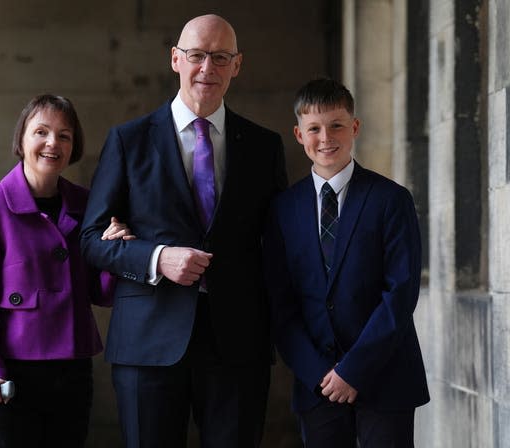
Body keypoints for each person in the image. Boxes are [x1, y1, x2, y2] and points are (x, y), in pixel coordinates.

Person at [80, 14, 287, 447]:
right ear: (176, 59)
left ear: (237, 65)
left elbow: (279, 244)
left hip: (238, 342)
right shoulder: (128, 140)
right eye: (196, 55)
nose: (207, 68)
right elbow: (91, 239)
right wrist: (157, 258)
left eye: (220, 57)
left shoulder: (264, 147)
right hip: (147, 342)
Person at [263, 78, 430, 447]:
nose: (326, 137)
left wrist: (353, 370)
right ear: (298, 134)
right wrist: (320, 373)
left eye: (337, 125)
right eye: (314, 128)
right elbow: (281, 303)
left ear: (354, 127)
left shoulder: (391, 199)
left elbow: (400, 294)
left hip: (386, 378)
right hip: (317, 383)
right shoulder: (282, 210)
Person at [0, 94, 132, 447]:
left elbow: (101, 293)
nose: (53, 143)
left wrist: (117, 252)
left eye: (64, 136)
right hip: (9, 375)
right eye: (42, 132)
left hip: (72, 372)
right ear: (22, 139)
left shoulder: (88, 204)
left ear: (73, 147)